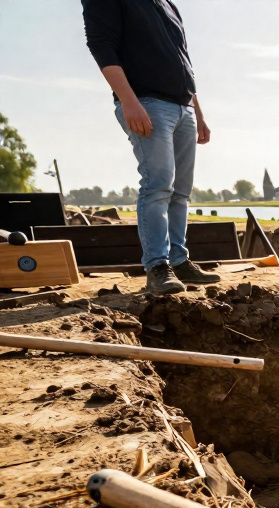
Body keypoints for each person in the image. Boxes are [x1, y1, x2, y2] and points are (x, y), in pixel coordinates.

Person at [82, 0, 221, 295]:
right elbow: (101, 45)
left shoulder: (168, 4)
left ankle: (179, 261)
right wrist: (129, 101)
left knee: (181, 192)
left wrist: (198, 113)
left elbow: (183, 59)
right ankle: (157, 267)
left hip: (183, 108)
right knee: (158, 186)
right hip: (147, 104)